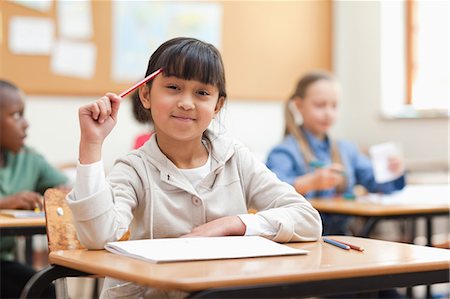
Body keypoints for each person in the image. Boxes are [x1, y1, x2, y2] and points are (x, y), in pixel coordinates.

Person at [66, 37, 322, 298]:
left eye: (202, 93)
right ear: (145, 95)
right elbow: (97, 237)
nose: (187, 102)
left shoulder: (236, 158)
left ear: (217, 105)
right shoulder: (134, 168)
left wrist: (234, 224)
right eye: (174, 87)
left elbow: (307, 218)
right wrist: (91, 142)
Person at [266, 71, 406, 235]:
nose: (328, 113)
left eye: (334, 106)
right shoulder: (284, 152)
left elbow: (375, 182)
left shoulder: (347, 149)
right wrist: (308, 183)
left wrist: (392, 171)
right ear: (298, 105)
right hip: (302, 238)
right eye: (320, 105)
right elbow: (269, 194)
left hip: (345, 237)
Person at [0, 79, 68, 298]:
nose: (26, 124)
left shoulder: (29, 159)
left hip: (3, 262)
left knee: (42, 288)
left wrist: (60, 195)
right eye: (16, 115)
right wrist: (5, 203)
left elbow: (64, 188)